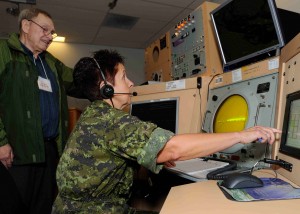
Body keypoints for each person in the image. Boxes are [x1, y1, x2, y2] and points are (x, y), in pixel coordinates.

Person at [52, 49, 281, 213]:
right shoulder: (111, 121)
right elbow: (172, 148)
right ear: (107, 88)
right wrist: (243, 134)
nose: (131, 83)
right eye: (124, 77)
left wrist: (153, 157)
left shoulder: (94, 115)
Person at [0, 8, 74, 214]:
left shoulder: (50, 62)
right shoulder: (3, 52)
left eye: (52, 32)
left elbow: (78, 81)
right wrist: (0, 142)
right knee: (12, 206)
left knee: (43, 207)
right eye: (45, 29)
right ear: (25, 25)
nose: (50, 36)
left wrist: (106, 81)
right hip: (15, 152)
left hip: (48, 152)